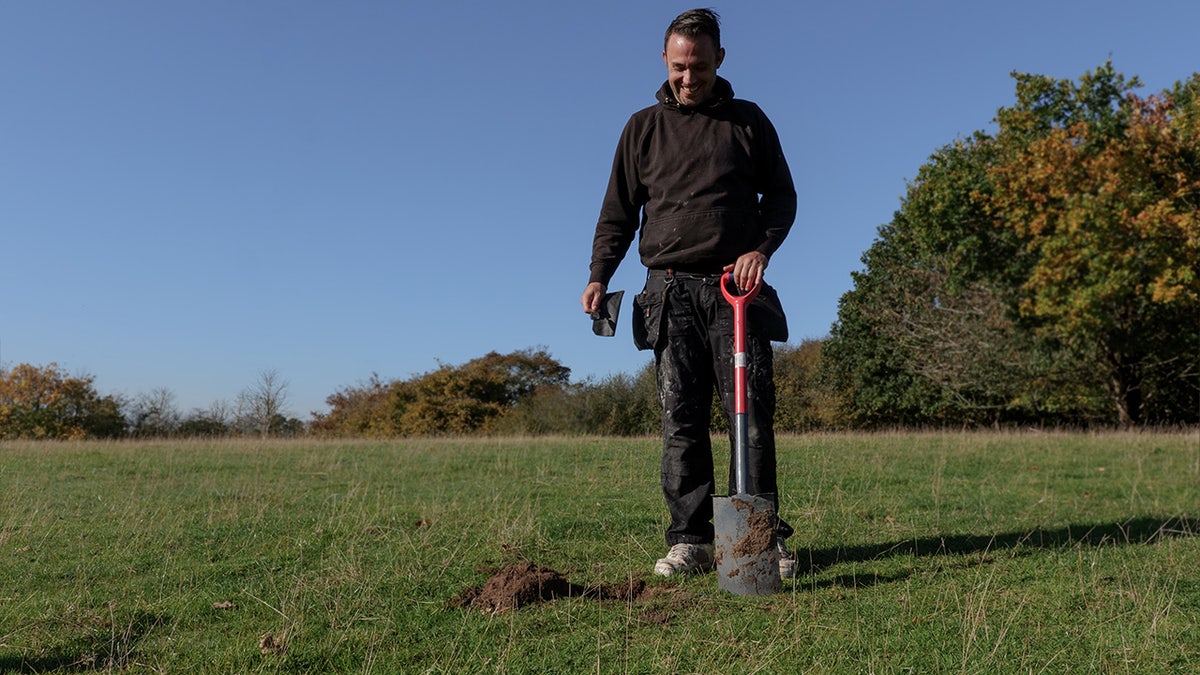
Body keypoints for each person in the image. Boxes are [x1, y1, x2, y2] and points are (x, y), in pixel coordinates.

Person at [580, 8, 798, 578]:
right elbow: (618, 213)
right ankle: (692, 542)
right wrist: (600, 272)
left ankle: (756, 541)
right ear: (664, 60)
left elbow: (780, 198)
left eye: (698, 66)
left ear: (719, 60)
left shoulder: (749, 122)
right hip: (669, 295)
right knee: (680, 419)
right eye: (679, 67)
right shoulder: (641, 128)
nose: (688, 77)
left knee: (748, 417)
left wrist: (762, 250)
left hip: (735, 293)